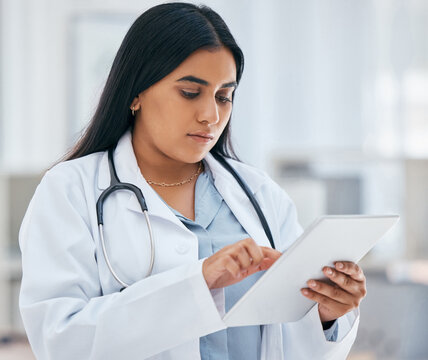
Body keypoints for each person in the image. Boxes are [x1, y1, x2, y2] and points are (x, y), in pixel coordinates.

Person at [19, 2, 366, 359]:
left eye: (223, 97)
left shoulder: (259, 194)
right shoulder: (70, 190)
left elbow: (287, 338)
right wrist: (197, 283)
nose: (211, 115)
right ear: (136, 92)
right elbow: (59, 339)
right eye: (190, 92)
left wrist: (326, 313)